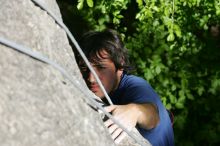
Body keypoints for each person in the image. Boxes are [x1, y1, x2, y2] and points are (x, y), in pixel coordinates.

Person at [75, 29, 174, 146]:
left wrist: (135, 111)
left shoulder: (137, 87)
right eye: (85, 68)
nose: (91, 78)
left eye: (101, 67)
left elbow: (152, 116)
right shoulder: (110, 90)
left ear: (120, 64)